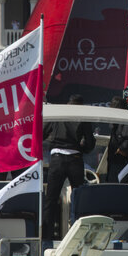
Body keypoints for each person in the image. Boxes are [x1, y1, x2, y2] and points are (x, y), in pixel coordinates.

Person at [41, 94, 96, 240]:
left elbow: (41, 134)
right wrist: (81, 147)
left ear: (68, 103)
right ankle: (78, 235)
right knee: (78, 197)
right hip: (75, 159)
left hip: (57, 159)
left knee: (51, 199)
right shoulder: (83, 118)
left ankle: (46, 238)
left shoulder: (59, 115)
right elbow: (90, 144)